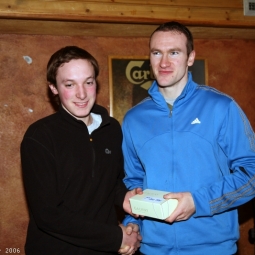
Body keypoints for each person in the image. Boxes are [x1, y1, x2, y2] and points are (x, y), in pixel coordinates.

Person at [122, 21, 255, 255]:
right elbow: (135, 182)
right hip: (153, 250)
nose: (164, 62)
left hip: (213, 250)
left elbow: (252, 174)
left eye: (174, 52)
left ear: (190, 57)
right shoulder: (134, 118)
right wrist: (134, 221)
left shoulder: (221, 107)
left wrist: (198, 201)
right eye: (156, 53)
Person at [21, 46, 142, 255]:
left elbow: (112, 182)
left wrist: (126, 198)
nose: (82, 93)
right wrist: (115, 237)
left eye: (88, 82)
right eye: (70, 84)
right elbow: (48, 214)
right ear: (54, 88)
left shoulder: (111, 128)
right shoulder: (39, 136)